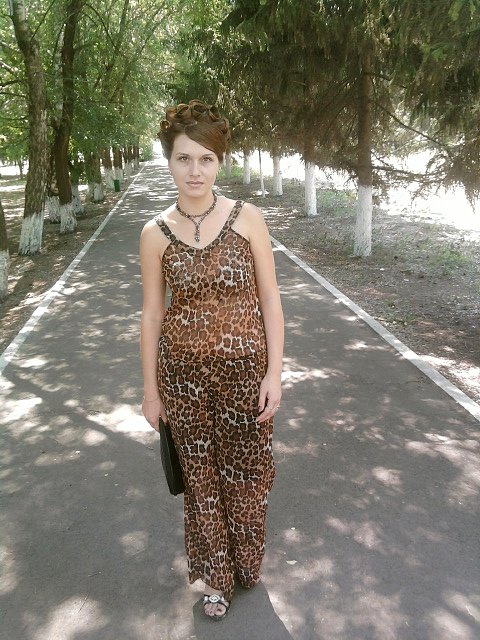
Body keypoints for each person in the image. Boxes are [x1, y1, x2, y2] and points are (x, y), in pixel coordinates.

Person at [140, 100, 284, 621]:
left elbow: (270, 299)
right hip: (182, 380)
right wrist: (151, 391)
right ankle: (216, 579)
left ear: (220, 161)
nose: (195, 171)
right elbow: (152, 314)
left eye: (206, 158)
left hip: (245, 375)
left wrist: (274, 374)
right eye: (183, 158)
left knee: (246, 476)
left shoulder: (248, 220)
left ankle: (246, 564)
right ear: (169, 161)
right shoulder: (154, 233)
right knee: (200, 480)